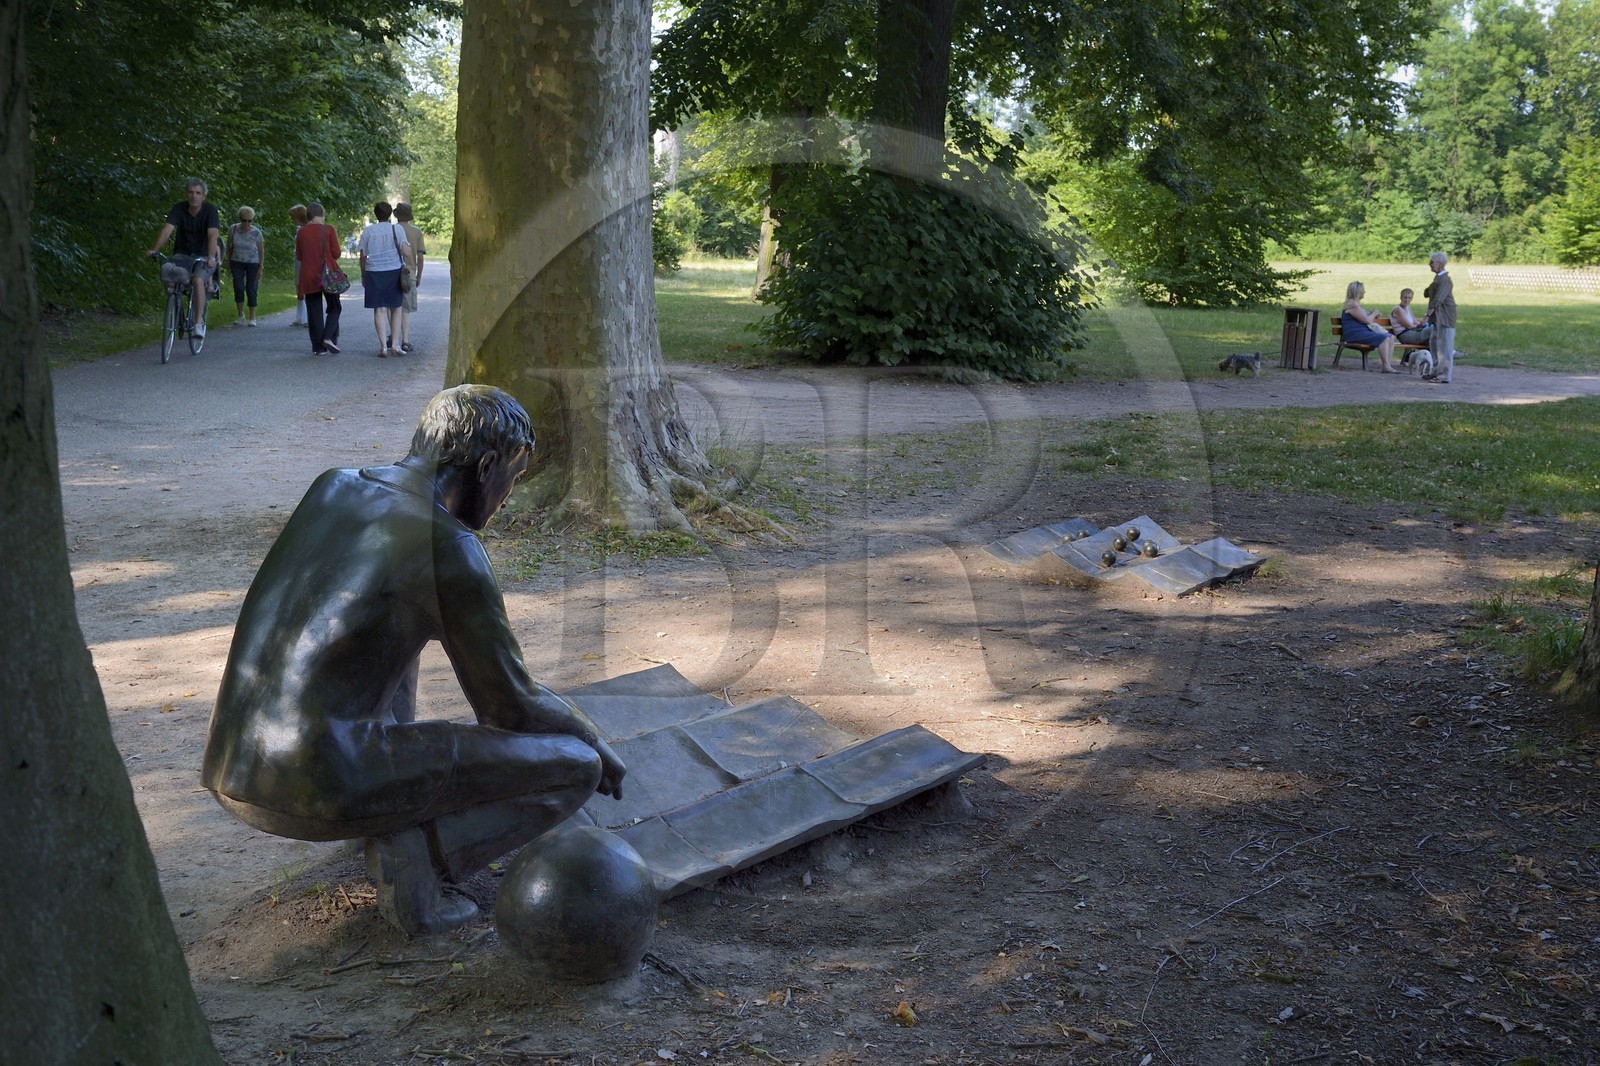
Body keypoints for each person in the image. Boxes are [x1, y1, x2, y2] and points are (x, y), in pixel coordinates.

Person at [201, 384, 626, 934]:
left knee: (397, 629)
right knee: (575, 766)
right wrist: (590, 734)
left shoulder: (334, 486)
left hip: (234, 764)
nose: (505, 498)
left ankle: (390, 811)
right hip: (310, 786)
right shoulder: (447, 546)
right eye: (512, 479)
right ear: (486, 465)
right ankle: (420, 860)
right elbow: (510, 708)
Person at [146, 177, 220, 339]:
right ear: (186, 194)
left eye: (198, 193)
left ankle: (198, 323)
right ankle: (176, 303)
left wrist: (210, 256)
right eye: (191, 192)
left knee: (197, 280)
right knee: (167, 273)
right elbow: (167, 229)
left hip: (202, 255)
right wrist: (154, 250)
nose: (194, 196)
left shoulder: (210, 211)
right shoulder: (179, 209)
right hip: (182, 254)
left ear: (203, 196)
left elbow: (213, 235)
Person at [359, 201, 412, 358]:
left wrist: (363, 274)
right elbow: (405, 252)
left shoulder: (368, 231)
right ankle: (395, 344)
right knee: (396, 308)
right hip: (394, 271)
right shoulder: (397, 229)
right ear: (390, 214)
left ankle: (383, 346)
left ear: (376, 214)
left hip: (374, 272)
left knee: (379, 309)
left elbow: (362, 256)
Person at [294, 202, 343, 356]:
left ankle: (318, 347)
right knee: (334, 306)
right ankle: (328, 337)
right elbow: (336, 253)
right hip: (327, 274)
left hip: (308, 274)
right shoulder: (328, 229)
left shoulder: (301, 232)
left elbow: (299, 256)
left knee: (314, 309)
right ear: (322, 214)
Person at [1340, 280, 1398, 373]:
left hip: (1362, 332)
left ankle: (1387, 365)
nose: (1364, 292)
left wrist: (1373, 314)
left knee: (1391, 337)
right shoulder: (1352, 304)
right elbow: (1366, 320)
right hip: (1355, 334)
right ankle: (1386, 366)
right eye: (1363, 290)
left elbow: (1364, 317)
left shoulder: (1355, 304)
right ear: (1357, 291)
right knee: (1384, 339)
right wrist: (1374, 313)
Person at [393, 202, 426, 354]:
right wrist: (418, 276)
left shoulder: (392, 230)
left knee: (391, 307)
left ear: (396, 216)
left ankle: (393, 337)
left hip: (391, 272)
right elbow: (420, 258)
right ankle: (405, 341)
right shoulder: (417, 232)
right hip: (409, 274)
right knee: (405, 309)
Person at [225, 206, 266, 327]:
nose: (247, 223)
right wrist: (228, 261)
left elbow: (261, 251)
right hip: (236, 261)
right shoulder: (233, 229)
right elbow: (229, 246)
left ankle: (252, 317)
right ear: (240, 219)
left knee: (251, 288)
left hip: (253, 262)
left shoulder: (256, 232)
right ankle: (240, 314)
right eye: (244, 220)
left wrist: (260, 266)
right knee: (238, 287)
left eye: (249, 220)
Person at [1423, 251, 1457, 385]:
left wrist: (1426, 316)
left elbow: (1438, 300)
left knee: (1445, 347)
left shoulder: (1445, 280)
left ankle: (1444, 375)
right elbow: (1427, 293)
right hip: (1437, 317)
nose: (1429, 264)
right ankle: (1435, 371)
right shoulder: (1438, 278)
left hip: (1445, 317)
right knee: (1434, 343)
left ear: (1440, 264)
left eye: (1431, 262)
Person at [289, 204, 310, 327]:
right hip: (298, 260)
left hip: (305, 261)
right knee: (299, 287)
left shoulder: (306, 229)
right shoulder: (299, 229)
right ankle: (300, 317)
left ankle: (307, 317)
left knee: (306, 287)